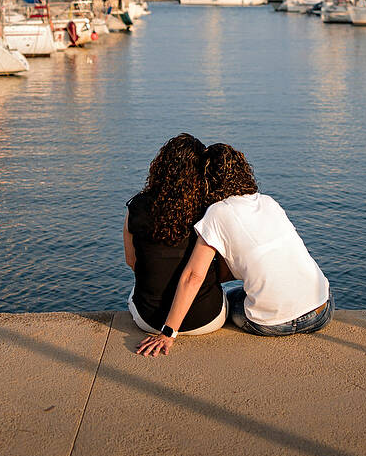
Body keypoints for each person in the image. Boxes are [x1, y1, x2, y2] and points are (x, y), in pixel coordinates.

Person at [136, 142, 331, 356]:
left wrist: (168, 332)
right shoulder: (269, 202)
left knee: (229, 298)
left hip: (274, 324)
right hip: (322, 309)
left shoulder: (216, 213)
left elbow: (194, 276)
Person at [124, 134, 228, 339]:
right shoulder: (210, 210)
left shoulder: (136, 207)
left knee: (136, 290)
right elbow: (223, 269)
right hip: (205, 318)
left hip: (149, 321)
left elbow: (132, 262)